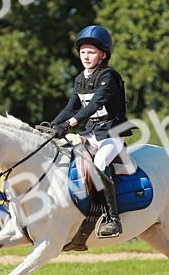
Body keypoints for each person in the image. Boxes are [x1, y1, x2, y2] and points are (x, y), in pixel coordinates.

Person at [46, 24, 132, 238]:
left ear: (103, 55)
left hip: (112, 134)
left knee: (100, 162)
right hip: (92, 133)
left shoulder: (109, 77)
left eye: (91, 52)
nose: (86, 56)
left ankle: (113, 219)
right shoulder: (80, 79)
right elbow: (71, 107)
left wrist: (70, 124)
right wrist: (52, 125)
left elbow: (93, 106)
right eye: (83, 51)